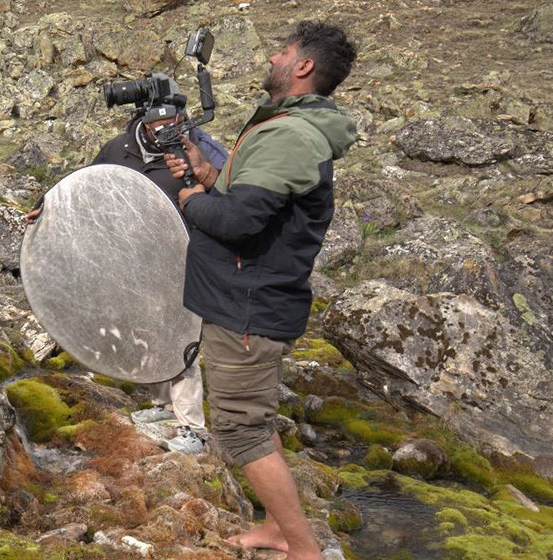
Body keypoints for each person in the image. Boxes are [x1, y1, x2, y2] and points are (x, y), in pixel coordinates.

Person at [167, 21, 357, 559]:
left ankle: (303, 548)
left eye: (283, 51)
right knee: (257, 418)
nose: (272, 57)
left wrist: (191, 200)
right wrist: (208, 176)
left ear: (303, 67)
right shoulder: (287, 127)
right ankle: (276, 528)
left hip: (246, 308)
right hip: (245, 300)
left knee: (241, 431)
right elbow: (250, 200)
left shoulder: (291, 135)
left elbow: (238, 222)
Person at [90, 107, 228, 452]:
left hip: (186, 260)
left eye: (174, 123)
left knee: (181, 338)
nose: (168, 130)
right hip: (137, 261)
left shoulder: (200, 148)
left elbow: (230, 195)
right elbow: (88, 183)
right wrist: (45, 204)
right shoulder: (120, 148)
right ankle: (163, 404)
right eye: (160, 125)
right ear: (145, 123)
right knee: (147, 331)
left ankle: (193, 430)